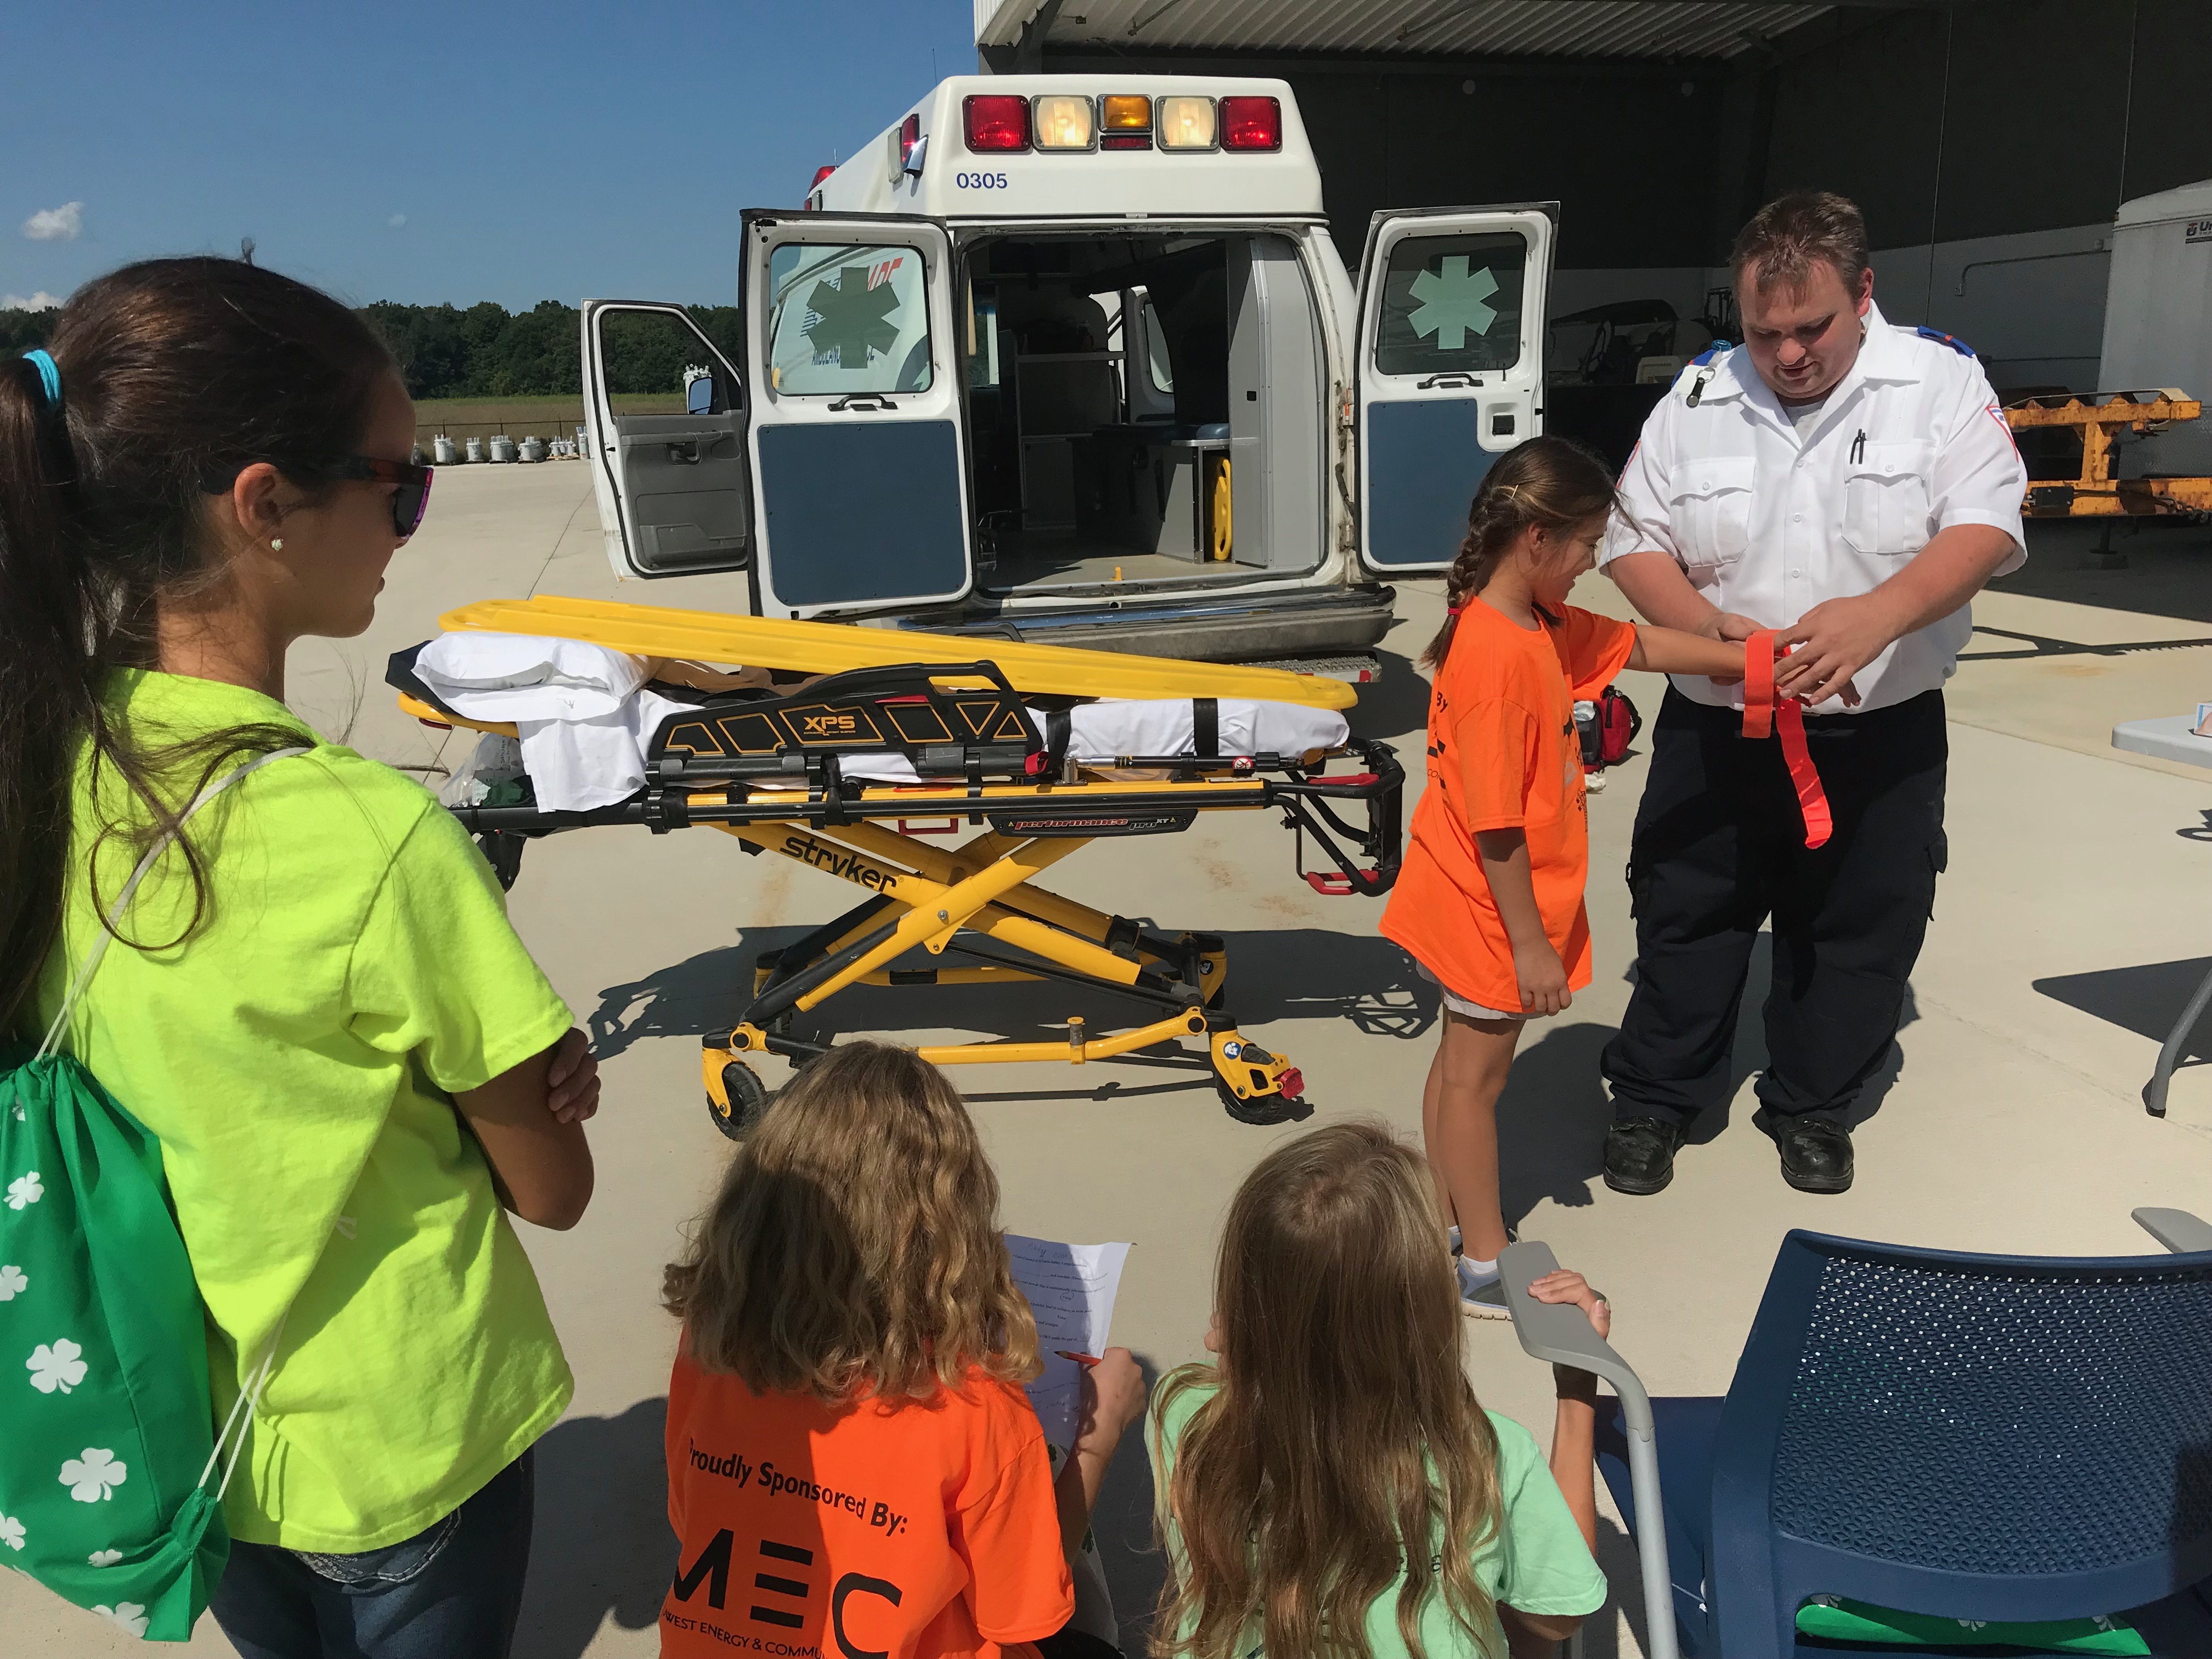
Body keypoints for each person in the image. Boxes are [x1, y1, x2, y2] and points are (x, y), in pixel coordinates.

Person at [1, 259, 599, 1658]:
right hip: (396, 1444)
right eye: (399, 483)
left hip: (182, 1432)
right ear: (265, 504)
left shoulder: (42, 764)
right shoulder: (371, 836)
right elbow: (555, 1191)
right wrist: (506, 1094)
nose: (407, 521)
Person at [1598, 191, 2027, 1197]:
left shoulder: (1937, 381)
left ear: (1863, 293)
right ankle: (1657, 1097)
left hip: (1876, 736)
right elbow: (1631, 537)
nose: (1786, 355)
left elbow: (1986, 525)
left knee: (1858, 926)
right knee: (1683, 913)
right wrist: (1703, 627)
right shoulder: (1699, 398)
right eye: (1762, 332)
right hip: (1718, 731)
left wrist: (1879, 614)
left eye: (1811, 329)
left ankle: (1813, 1103)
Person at [1378, 437, 1757, 1314]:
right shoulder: (1499, 661)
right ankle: (1481, 1260)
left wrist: (1749, 658)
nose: (1594, 564)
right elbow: (1496, 824)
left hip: (1463, 892)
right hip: (1490, 904)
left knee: (1456, 1066)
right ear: (1538, 538)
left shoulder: (1530, 623)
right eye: (1588, 545)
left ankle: (1438, 1218)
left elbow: (1641, 649)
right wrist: (1530, 948)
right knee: (1478, 1082)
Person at [659, 1041, 1146, 1659]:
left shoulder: (710, 1345)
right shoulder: (976, 1405)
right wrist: (1097, 1442)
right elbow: (1021, 1611)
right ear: (948, 1227)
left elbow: (690, 1517)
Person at [1149, 1121, 1615, 1659]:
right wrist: (1577, 1387)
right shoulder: (1485, 1453)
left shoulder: (1182, 1412)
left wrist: (1256, 1361)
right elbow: (1559, 1614)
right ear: (1423, 1305)